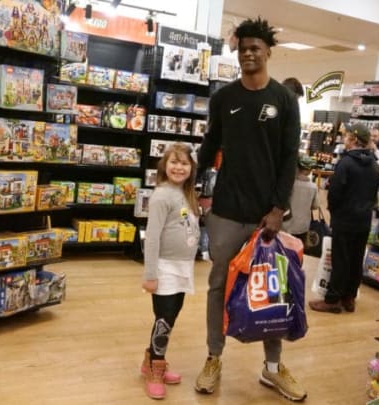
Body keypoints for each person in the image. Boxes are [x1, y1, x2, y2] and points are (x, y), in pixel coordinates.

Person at [195, 17, 306, 402]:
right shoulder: (224, 99)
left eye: (255, 48)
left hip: (266, 218)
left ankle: (272, 369)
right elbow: (210, 146)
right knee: (218, 286)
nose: (249, 54)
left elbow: (289, 157)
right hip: (225, 212)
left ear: (268, 52)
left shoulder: (284, 100)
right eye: (243, 48)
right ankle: (213, 357)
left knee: (272, 291)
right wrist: (189, 184)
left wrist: (279, 208)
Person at [140, 143, 201, 400]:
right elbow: (152, 238)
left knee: (171, 316)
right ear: (165, 165)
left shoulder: (186, 193)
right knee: (164, 319)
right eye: (174, 162)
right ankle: (156, 368)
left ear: (191, 168)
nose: (179, 167)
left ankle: (149, 361)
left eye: (184, 163)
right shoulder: (162, 195)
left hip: (182, 267)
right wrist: (150, 274)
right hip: (164, 268)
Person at [309, 122, 379, 313]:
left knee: (340, 258)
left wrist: (334, 210)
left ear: (354, 139)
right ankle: (349, 297)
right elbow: (374, 194)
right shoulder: (374, 164)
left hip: (345, 218)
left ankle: (332, 300)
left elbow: (335, 192)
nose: (344, 138)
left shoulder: (346, 162)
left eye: (347, 135)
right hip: (364, 220)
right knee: (356, 258)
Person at [282, 155, 319, 245]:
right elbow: (315, 206)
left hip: (285, 224)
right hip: (303, 226)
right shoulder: (313, 187)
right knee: (298, 249)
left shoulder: (290, 184)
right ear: (310, 170)